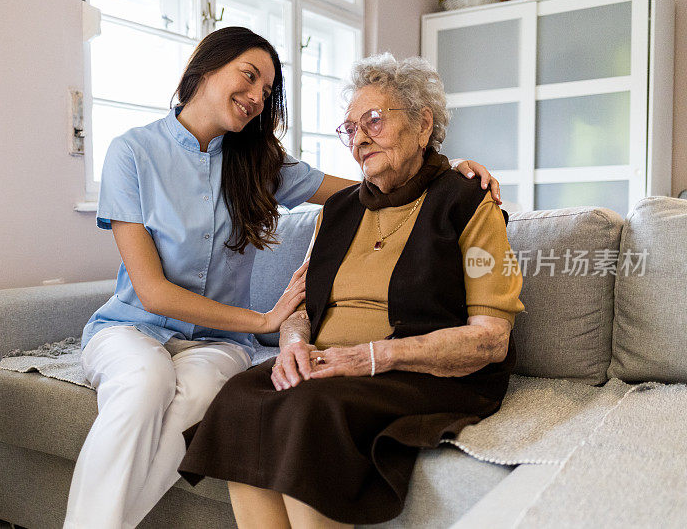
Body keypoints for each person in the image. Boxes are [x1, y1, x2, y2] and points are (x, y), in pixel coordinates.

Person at [65, 28, 499, 528]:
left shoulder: (260, 163)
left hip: (217, 343)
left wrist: (450, 170)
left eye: (267, 92)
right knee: (146, 382)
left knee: (217, 402)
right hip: (133, 327)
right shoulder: (132, 152)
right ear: (204, 68)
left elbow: (378, 183)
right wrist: (266, 319)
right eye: (249, 77)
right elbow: (152, 291)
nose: (256, 98)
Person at [178, 52, 524, 528]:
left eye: (375, 121)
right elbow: (301, 305)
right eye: (350, 128)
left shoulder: (467, 203)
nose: (360, 137)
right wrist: (294, 344)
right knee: (241, 398)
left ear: (423, 125)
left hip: (419, 373)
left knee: (309, 408)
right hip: (331, 364)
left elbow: (490, 339)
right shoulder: (337, 211)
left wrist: (372, 357)